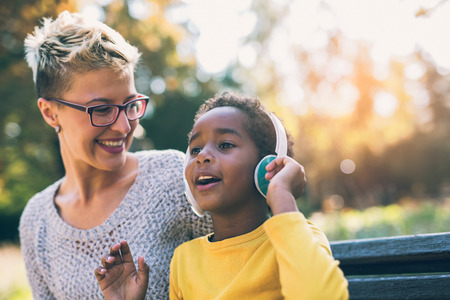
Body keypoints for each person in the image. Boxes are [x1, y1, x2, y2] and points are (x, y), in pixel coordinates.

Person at [19, 11, 307, 299]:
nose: (123, 126)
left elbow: (266, 269)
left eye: (130, 104)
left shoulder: (174, 178)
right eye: (102, 109)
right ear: (49, 112)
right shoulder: (36, 221)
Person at [95, 92, 349, 300]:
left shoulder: (298, 237)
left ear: (267, 167)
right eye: (195, 149)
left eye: (225, 144)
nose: (202, 156)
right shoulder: (185, 259)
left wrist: (281, 193)